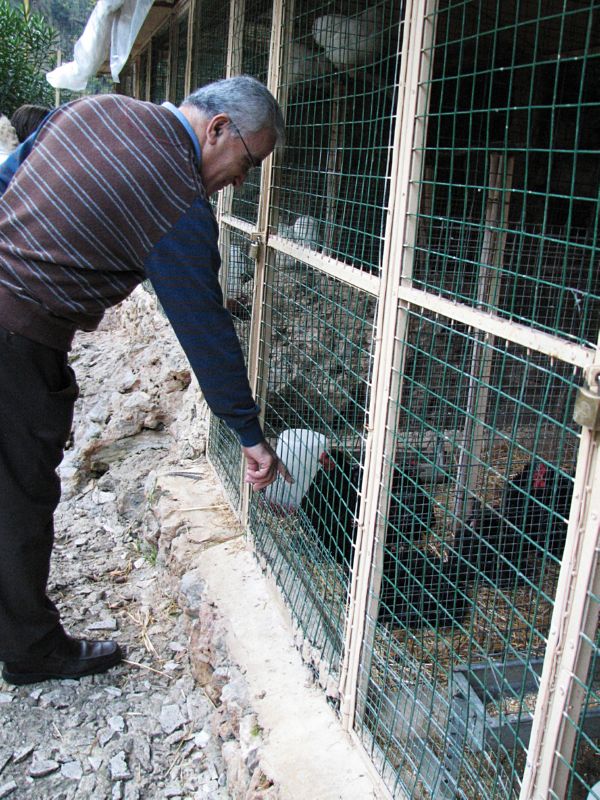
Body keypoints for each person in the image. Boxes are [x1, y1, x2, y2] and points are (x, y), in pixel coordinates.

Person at [0, 76, 292, 686]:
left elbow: (7, 182)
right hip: (17, 338)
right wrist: (249, 433)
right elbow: (203, 326)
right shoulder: (177, 195)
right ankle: (30, 650)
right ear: (217, 130)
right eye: (248, 162)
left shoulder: (94, 110)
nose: (242, 181)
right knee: (19, 495)